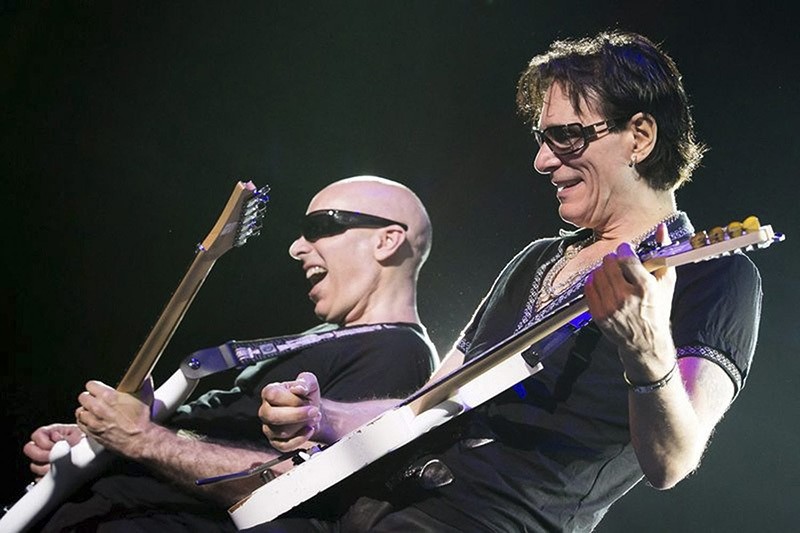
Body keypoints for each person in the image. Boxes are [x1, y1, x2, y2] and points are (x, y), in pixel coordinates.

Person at [257, 31, 763, 532]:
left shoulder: (716, 275)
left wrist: (647, 350)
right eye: (543, 140)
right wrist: (325, 417)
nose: (542, 161)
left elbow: (672, 463)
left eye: (566, 136)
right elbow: (428, 403)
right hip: (383, 495)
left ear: (640, 136)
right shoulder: (536, 259)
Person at [19, 175, 438, 532]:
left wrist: (141, 438)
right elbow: (195, 434)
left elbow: (308, 490)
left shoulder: (398, 352)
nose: (296, 247)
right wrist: (96, 443)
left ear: (387, 240)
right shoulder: (320, 339)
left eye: (319, 226)